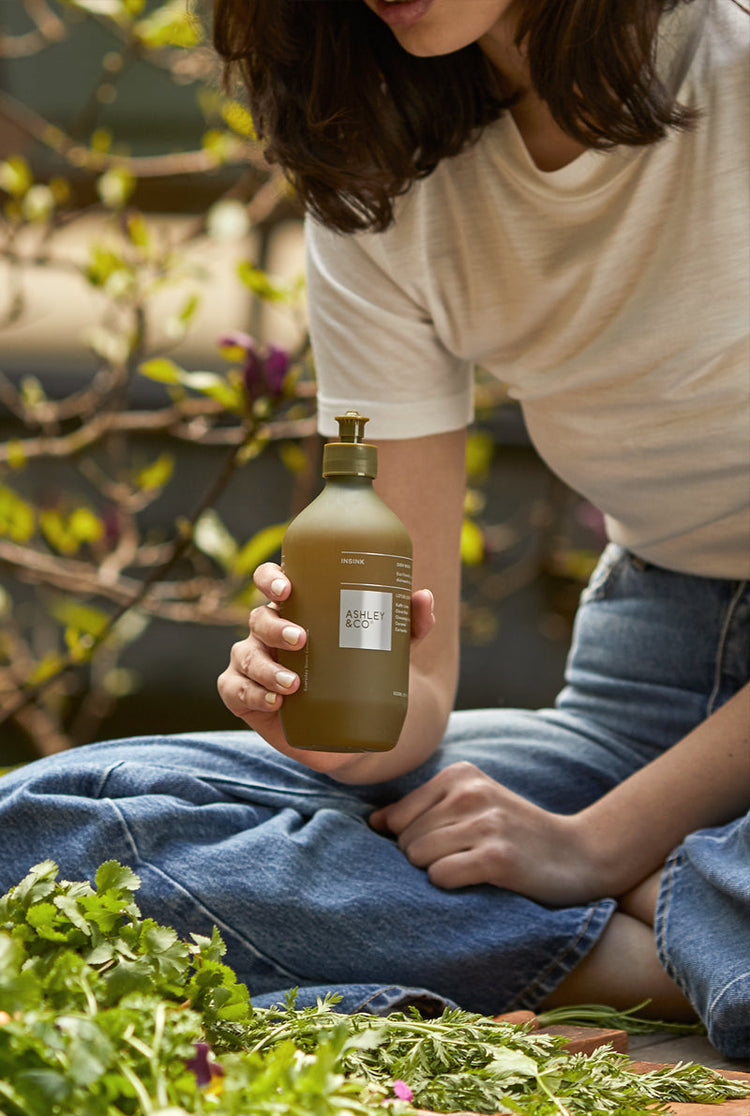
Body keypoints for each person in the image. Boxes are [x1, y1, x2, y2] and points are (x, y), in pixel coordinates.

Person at [2, 0, 748, 1059]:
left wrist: (595, 848)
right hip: (656, 676)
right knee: (49, 826)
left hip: (636, 792)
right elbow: (420, 689)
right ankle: (662, 952)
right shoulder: (384, 175)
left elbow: (577, 837)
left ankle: (637, 923)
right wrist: (334, 722)